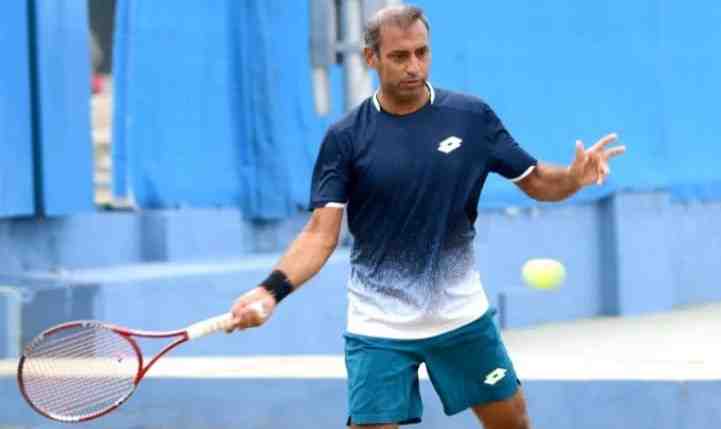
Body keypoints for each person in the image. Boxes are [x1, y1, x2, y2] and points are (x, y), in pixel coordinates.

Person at [226, 5, 625, 429]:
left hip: (461, 316)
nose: (414, 66)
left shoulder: (471, 118)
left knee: (512, 423)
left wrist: (574, 178)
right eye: (399, 56)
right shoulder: (345, 138)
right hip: (378, 324)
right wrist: (270, 291)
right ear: (371, 58)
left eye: (422, 52)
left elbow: (537, 181)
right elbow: (319, 236)